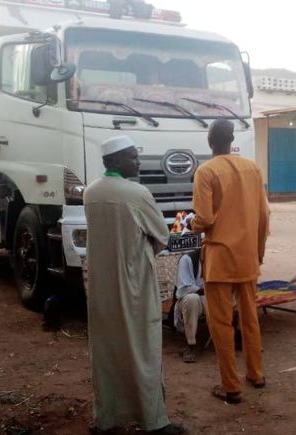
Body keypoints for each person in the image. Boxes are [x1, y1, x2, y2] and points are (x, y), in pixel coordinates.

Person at [84, 135, 185, 435]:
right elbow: (161, 236)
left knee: (106, 351)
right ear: (115, 160)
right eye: (132, 156)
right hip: (135, 285)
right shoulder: (137, 193)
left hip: (102, 287)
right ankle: (154, 421)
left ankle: (106, 418)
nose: (138, 162)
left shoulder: (91, 192)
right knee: (144, 350)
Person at [190, 119, 269, 405]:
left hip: (220, 260)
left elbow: (204, 219)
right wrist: (258, 252)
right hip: (247, 258)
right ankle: (256, 374)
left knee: (222, 323)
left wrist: (192, 225)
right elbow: (263, 216)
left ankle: (231, 386)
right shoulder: (253, 169)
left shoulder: (206, 171)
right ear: (232, 139)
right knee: (250, 318)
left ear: (210, 141)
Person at [175, 250, 205, 363]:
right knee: (192, 299)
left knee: (240, 293)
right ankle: (190, 344)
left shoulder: (220, 258)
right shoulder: (187, 259)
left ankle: (237, 336)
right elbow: (184, 289)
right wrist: (209, 290)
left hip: (213, 300)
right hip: (191, 301)